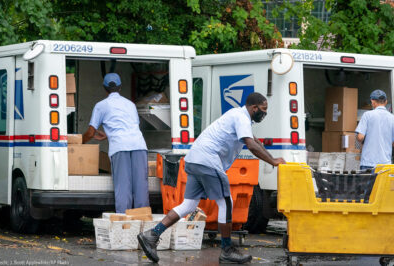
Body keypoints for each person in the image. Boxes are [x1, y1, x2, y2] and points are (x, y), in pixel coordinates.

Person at [138, 92, 286, 264]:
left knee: (189, 204)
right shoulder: (241, 118)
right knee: (226, 202)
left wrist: (274, 159)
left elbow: (255, 141)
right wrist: (273, 161)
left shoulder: (237, 115)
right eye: (263, 109)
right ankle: (227, 250)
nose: (265, 113)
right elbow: (251, 145)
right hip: (208, 160)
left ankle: (152, 234)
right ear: (254, 108)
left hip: (194, 159)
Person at [83, 73, 149, 213]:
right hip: (139, 145)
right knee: (141, 187)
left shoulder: (101, 105)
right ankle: (142, 222)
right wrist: (109, 134)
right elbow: (130, 126)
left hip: (120, 147)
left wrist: (78, 143)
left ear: (105, 88)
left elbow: (90, 132)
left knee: (123, 187)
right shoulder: (130, 104)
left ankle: (124, 224)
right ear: (120, 87)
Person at [356, 89, 394, 170]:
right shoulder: (392, 118)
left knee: (368, 183)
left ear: (372, 102)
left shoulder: (367, 115)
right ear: (386, 101)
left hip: (368, 163)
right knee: (383, 183)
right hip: (385, 164)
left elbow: (360, 137)